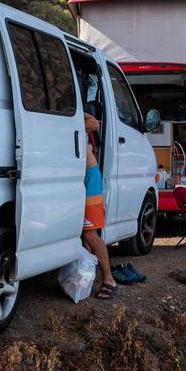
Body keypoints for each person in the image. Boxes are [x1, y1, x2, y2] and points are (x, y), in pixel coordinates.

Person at [81, 112, 118, 299]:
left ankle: (109, 279)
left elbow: (94, 123)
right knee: (83, 232)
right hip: (77, 177)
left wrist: (75, 120)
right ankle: (84, 278)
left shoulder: (75, 116)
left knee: (90, 232)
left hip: (90, 178)